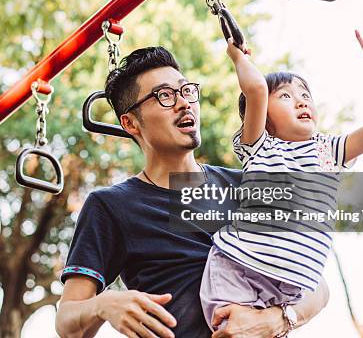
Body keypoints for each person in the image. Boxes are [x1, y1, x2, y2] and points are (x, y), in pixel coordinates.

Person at [55, 47, 330, 338]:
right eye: (165, 96)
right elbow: (67, 321)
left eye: (186, 91)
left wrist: (276, 320)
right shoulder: (111, 206)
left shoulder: (248, 185)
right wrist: (104, 304)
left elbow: (318, 285)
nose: (184, 103)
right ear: (130, 123)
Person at [200, 17, 363, 333]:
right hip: (237, 268)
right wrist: (240, 57)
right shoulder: (259, 147)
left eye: (305, 93)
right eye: (286, 95)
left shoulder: (327, 151)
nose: (302, 99)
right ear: (264, 116)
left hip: (289, 289)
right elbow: (254, 90)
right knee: (230, 330)